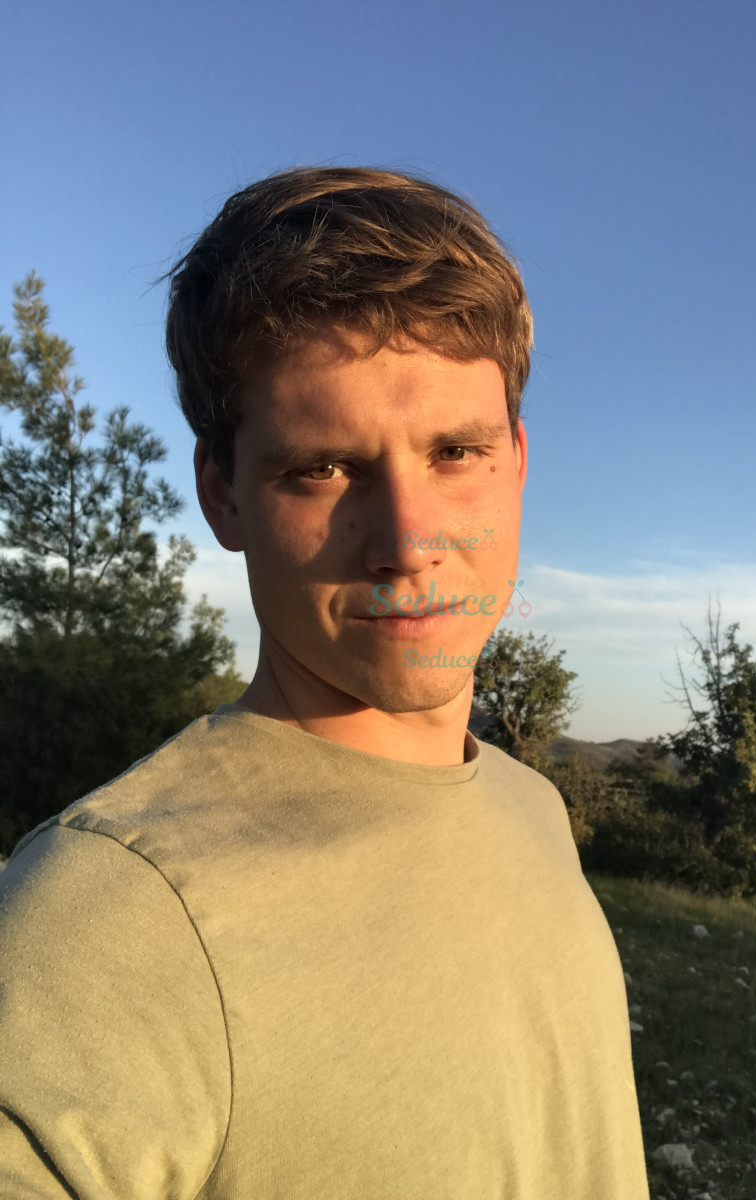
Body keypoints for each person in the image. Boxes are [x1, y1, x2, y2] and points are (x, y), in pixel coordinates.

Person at [0, 167, 649, 1198]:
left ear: (518, 460)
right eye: (323, 468)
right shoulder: (118, 914)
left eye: (455, 451)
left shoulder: (531, 807)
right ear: (221, 495)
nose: (407, 542)